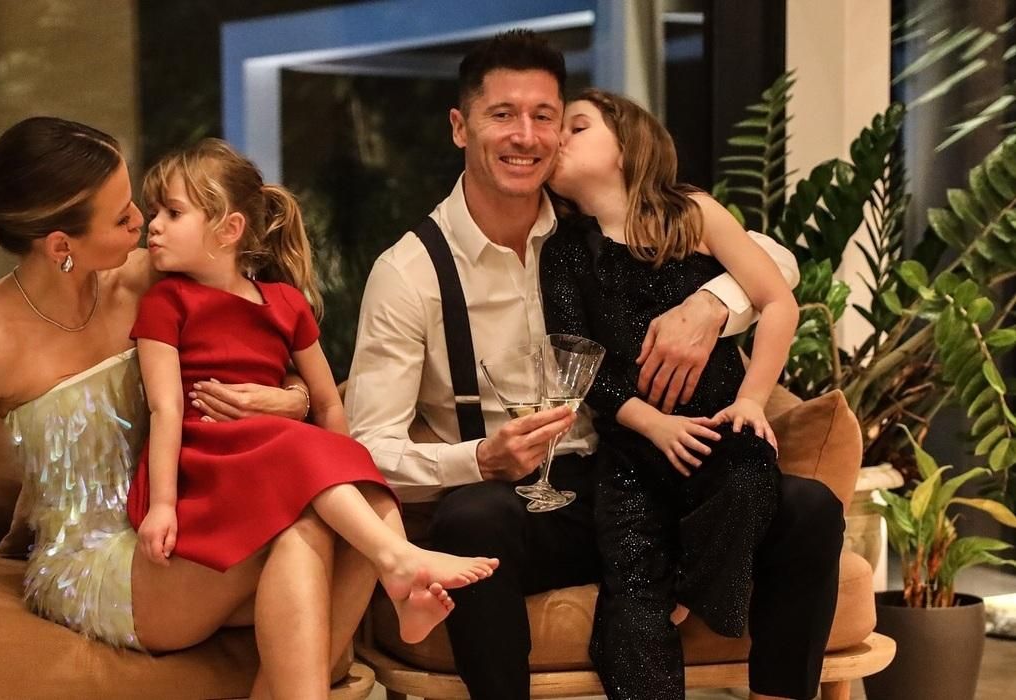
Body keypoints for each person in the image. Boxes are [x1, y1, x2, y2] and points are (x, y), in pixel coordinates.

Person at [346, 30, 841, 700]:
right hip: (537, 501)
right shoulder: (411, 274)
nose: (526, 136)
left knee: (809, 508)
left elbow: (772, 261)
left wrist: (711, 304)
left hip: (642, 467)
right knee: (472, 520)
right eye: (502, 115)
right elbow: (368, 450)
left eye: (545, 116)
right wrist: (479, 460)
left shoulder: (592, 215)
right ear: (460, 127)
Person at [0, 116, 364, 698]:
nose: (143, 222)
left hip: (184, 516)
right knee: (320, 524)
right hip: (94, 561)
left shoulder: (147, 277)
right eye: (123, 216)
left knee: (360, 522)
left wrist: (295, 398)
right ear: (61, 246)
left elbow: (263, 334)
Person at [128, 140, 498, 670]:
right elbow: (165, 409)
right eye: (155, 212)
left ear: (228, 230)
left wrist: (350, 468)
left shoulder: (285, 302)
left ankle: (403, 598)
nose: (154, 226)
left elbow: (326, 401)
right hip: (206, 459)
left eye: (172, 213)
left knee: (368, 479)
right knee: (297, 443)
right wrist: (162, 504)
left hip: (272, 449)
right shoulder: (166, 302)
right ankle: (398, 559)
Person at [542, 87, 807, 699]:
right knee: (633, 602)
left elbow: (778, 301)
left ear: (627, 143)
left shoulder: (695, 214)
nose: (557, 138)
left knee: (750, 480)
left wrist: (752, 399)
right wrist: (652, 423)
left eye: (576, 127)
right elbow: (578, 359)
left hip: (718, 431)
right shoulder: (563, 252)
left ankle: (691, 586)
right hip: (631, 452)